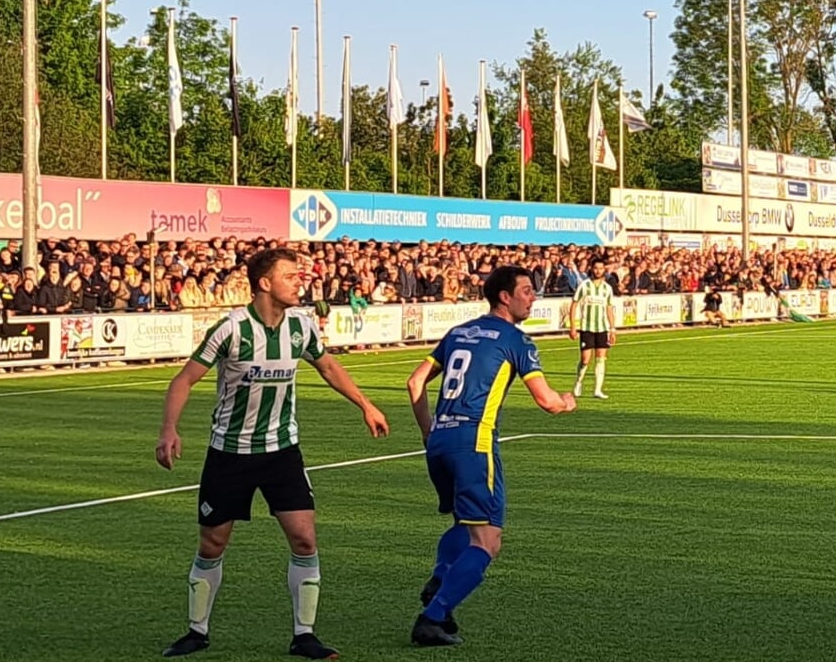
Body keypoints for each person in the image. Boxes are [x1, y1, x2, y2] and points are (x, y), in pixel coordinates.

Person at [154, 248, 391, 660]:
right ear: (265, 283)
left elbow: (329, 368)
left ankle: (304, 635)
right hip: (230, 452)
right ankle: (197, 631)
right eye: (290, 275)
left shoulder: (300, 327)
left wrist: (365, 405)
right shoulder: (230, 329)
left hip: (283, 450)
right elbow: (184, 380)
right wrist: (169, 429)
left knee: (304, 538)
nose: (300, 280)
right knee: (213, 543)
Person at [405, 266, 576, 646]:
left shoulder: (458, 332)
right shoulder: (516, 340)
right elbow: (546, 402)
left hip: (441, 442)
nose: (533, 298)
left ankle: (439, 581)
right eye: (527, 291)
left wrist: (427, 430)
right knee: (487, 541)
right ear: (505, 296)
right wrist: (566, 402)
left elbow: (414, 381)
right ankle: (432, 618)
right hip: (474, 442)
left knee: (464, 524)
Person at [568, 266, 616, 399]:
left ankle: (598, 389)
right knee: (585, 359)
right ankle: (579, 382)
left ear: (604, 270)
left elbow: (609, 309)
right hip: (586, 327)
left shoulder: (607, 288)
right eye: (596, 268)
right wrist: (572, 326)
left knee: (601, 359)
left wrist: (612, 329)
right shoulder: (584, 286)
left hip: (602, 328)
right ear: (592, 270)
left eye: (601, 268)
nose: (598, 271)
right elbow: (574, 304)